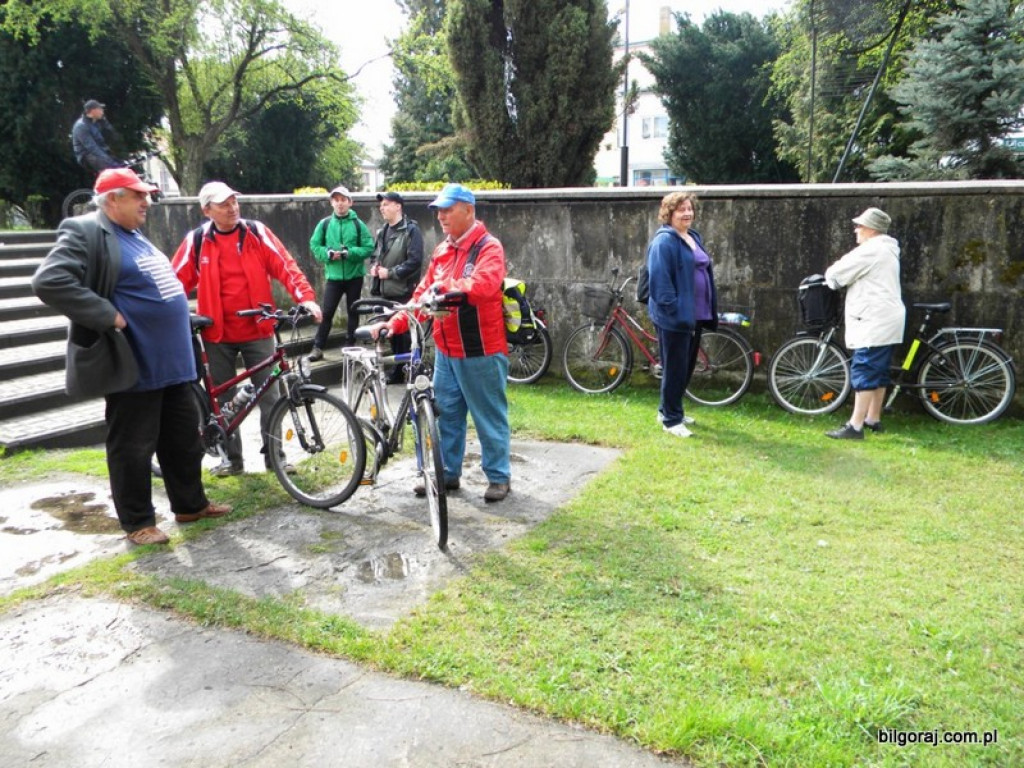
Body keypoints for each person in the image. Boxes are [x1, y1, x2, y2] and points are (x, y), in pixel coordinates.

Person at [31, 168, 230, 545]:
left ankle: (190, 504)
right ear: (112, 199)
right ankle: (137, 521)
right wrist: (109, 315)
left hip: (172, 363)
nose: (147, 202)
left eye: (147, 195)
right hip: (135, 363)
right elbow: (49, 280)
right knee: (133, 446)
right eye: (138, 195)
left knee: (184, 440)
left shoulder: (133, 234)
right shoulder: (86, 230)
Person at [367, 183, 512, 502]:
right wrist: (394, 322)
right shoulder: (443, 251)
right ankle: (446, 473)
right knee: (444, 414)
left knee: (489, 417)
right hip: (446, 352)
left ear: (469, 210)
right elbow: (421, 294)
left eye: (448, 209)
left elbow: (484, 285)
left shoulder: (489, 247)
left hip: (482, 351)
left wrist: (446, 287)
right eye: (439, 211)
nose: (441, 216)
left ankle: (499, 477)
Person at [170, 181, 323, 476]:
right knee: (223, 401)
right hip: (216, 333)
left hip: (258, 328)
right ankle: (232, 459)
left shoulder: (255, 232)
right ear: (207, 210)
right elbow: (173, 283)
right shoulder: (198, 240)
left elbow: (285, 266)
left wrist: (306, 299)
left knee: (271, 396)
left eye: (234, 202)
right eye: (223, 204)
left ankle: (275, 457)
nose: (232, 208)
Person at [824, 207, 905, 440]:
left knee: (865, 368)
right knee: (879, 371)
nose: (856, 229)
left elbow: (836, 274)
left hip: (874, 319)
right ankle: (873, 418)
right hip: (888, 317)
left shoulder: (871, 250)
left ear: (871, 229)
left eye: (860, 225)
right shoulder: (888, 249)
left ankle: (855, 426)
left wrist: (831, 277)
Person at [646, 191, 717, 438]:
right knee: (675, 367)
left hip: (695, 314)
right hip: (675, 317)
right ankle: (671, 420)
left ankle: (668, 409)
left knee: (685, 366)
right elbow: (660, 281)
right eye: (681, 209)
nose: (687, 213)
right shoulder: (664, 242)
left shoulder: (692, 237)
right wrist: (674, 310)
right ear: (669, 214)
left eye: (689, 208)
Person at [307, 185, 375, 360]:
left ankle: (350, 346)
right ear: (331, 203)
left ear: (350, 202)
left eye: (343, 200)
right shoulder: (325, 224)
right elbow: (315, 245)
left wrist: (349, 253)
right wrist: (328, 254)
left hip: (354, 276)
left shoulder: (358, 224)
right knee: (327, 312)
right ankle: (317, 347)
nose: (340, 204)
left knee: (353, 311)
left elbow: (369, 247)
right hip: (334, 277)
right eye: (336, 200)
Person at [369, 190, 424, 383]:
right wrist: (375, 267)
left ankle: (408, 371)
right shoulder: (382, 231)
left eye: (386, 204)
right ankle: (399, 371)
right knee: (392, 334)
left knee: (405, 336)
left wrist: (390, 273)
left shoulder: (411, 230)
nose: (382, 208)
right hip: (385, 291)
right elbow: (375, 255)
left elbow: (415, 261)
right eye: (381, 205)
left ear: (398, 206)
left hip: (403, 291)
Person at [71, 99, 121, 174]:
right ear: (93, 111)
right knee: (111, 168)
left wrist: (105, 123)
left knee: (120, 165)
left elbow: (110, 138)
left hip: (98, 153)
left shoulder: (96, 123)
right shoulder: (81, 126)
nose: (102, 111)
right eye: (100, 109)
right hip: (86, 156)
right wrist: (109, 161)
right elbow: (92, 147)